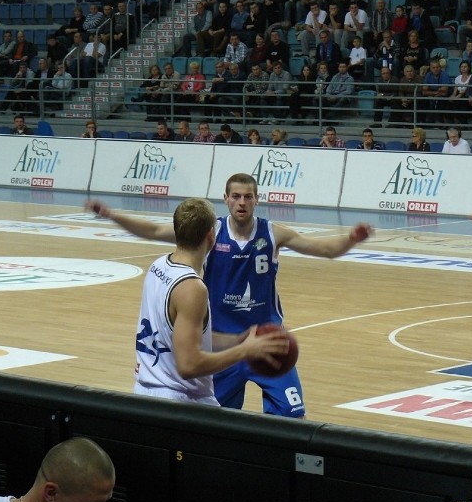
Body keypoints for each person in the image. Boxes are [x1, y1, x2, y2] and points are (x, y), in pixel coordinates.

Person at [87, 176, 373, 416]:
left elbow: (324, 249)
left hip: (266, 340)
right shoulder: (210, 232)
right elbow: (152, 230)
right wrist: (112, 215)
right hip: (221, 346)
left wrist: (350, 240)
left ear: (257, 200)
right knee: (219, 424)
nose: (242, 202)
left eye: (248, 197)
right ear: (226, 199)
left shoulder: (274, 233)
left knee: (292, 417)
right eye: (236, 196)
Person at [132, 198, 290, 403]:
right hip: (180, 400)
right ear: (211, 235)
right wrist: (244, 351)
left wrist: (236, 340)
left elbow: (182, 334)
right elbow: (189, 365)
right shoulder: (192, 288)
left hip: (145, 389)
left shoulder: (158, 266)